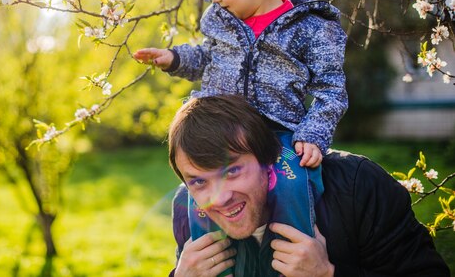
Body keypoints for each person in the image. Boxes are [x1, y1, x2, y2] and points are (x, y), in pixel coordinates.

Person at [134, 0, 347, 258]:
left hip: (276, 133)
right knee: (199, 196)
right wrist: (174, 59)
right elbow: (206, 56)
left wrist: (312, 134)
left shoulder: (310, 28)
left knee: (293, 185)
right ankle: (210, 259)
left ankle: (288, 257)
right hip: (219, 129)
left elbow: (331, 90)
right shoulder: (221, 20)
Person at [167, 95, 450, 277]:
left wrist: (328, 273)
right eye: (200, 181)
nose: (220, 198)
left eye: (232, 171)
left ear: (268, 159)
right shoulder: (188, 212)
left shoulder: (356, 186)